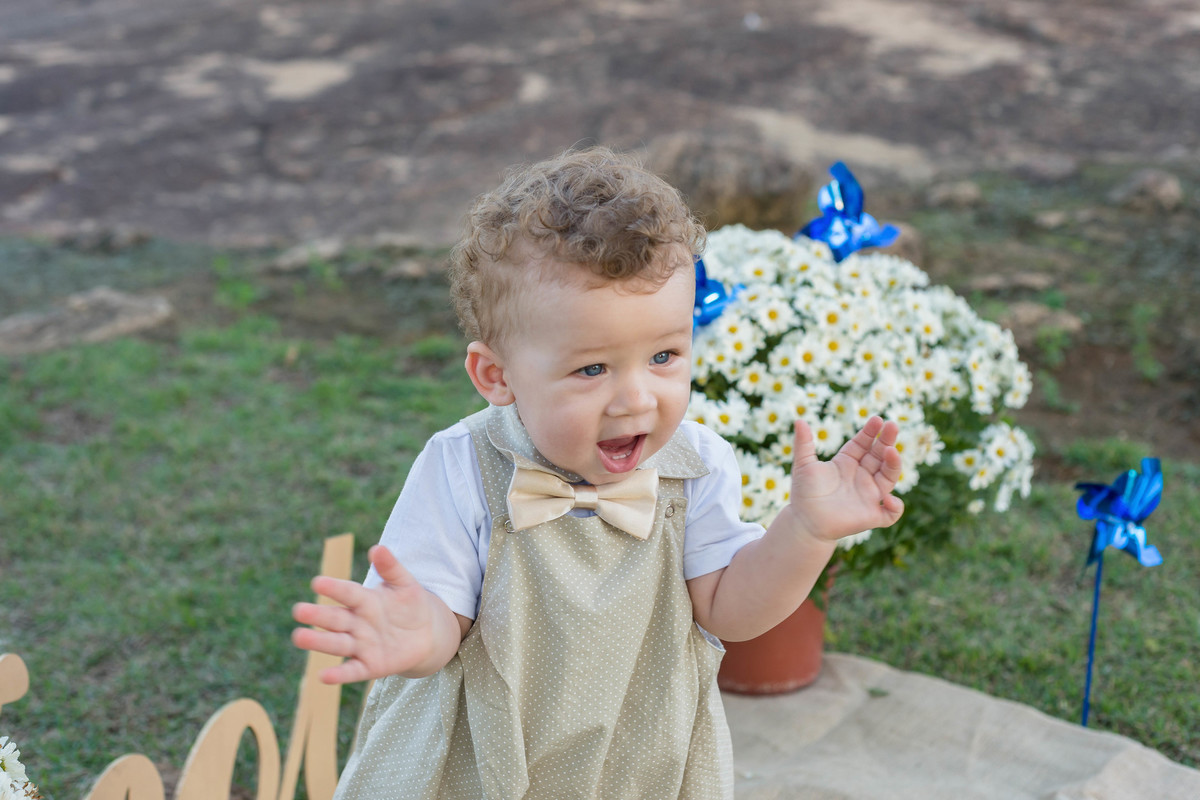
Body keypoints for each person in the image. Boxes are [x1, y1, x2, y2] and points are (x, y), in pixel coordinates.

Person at [291, 146, 904, 799]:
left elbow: (731, 609)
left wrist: (806, 531)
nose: (636, 399)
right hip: (484, 760)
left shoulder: (695, 467)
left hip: (639, 759)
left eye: (664, 356)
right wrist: (421, 633)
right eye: (592, 369)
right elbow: (441, 615)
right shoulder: (464, 465)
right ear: (496, 375)